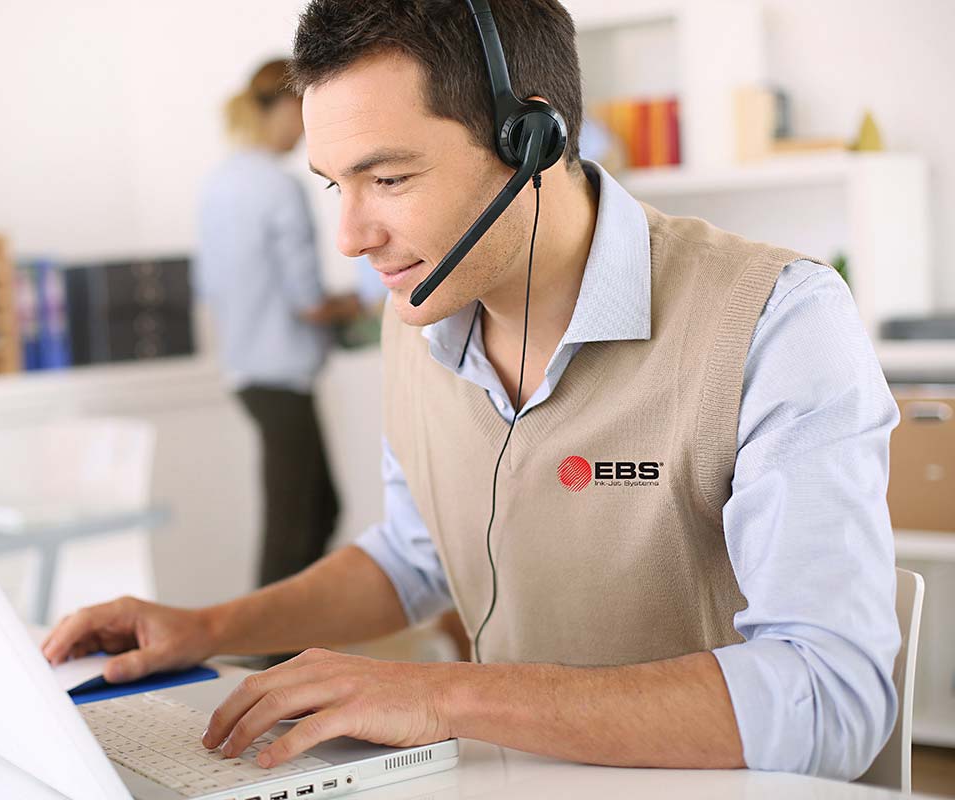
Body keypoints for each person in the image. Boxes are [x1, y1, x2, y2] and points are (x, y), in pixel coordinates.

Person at [45, 1, 900, 781]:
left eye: (388, 179)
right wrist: (210, 628)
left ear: (531, 142)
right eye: (334, 185)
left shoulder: (775, 320)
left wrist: (440, 696)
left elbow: (832, 699)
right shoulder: (419, 314)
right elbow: (416, 557)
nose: (349, 236)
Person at [193, 59, 361, 592]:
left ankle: (284, 648)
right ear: (289, 106)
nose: (311, 128)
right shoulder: (278, 188)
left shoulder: (219, 183)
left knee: (314, 510)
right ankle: (273, 659)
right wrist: (360, 302)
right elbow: (307, 299)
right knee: (296, 525)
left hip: (247, 370)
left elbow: (213, 284)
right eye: (308, 111)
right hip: (283, 374)